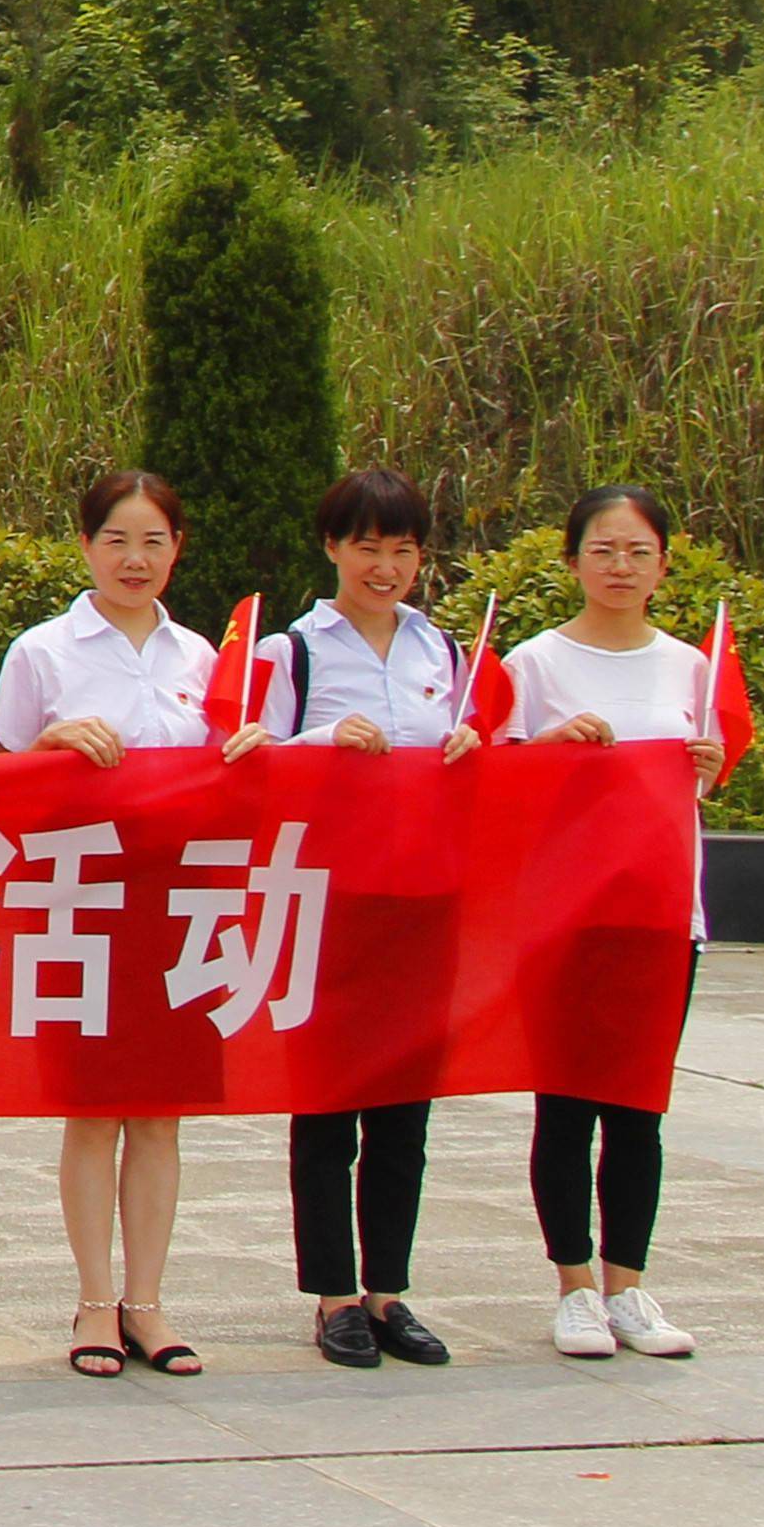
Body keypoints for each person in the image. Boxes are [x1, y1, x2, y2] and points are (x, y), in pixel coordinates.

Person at [0, 466, 268, 1380]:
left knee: (160, 1115)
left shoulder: (207, 658)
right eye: (117, 539)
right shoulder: (44, 652)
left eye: (154, 540)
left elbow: (241, 786)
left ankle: (148, 1302)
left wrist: (252, 758)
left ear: (178, 549)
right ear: (83, 546)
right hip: (84, 902)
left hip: (183, 905)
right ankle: (94, 1300)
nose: (135, 558)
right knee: (93, 1111)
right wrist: (47, 747)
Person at [497, 483, 725, 1363]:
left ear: (664, 565)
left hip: (665, 914)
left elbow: (692, 787)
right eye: (603, 550)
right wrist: (549, 753)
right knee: (567, 1104)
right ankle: (575, 1286)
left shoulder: (690, 667)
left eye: (638, 552)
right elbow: (500, 789)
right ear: (572, 562)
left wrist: (705, 764)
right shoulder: (534, 664)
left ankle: (630, 1285)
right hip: (566, 914)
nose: (620, 566)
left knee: (639, 1105)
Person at [277, 467, 472, 1371]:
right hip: (331, 903)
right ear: (332, 547)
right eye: (367, 546)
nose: (385, 566)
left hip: (424, 902)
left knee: (405, 1112)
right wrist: (324, 741)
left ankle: (390, 1289)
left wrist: (478, 748)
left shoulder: (447, 653)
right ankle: (333, 1294)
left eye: (401, 549)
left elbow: (484, 766)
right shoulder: (296, 651)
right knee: (327, 1109)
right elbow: (251, 761)